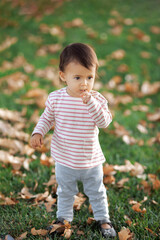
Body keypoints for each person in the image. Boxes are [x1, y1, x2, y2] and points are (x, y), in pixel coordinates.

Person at [30, 43, 116, 239]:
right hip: (65, 158)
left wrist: (91, 103)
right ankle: (64, 218)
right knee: (66, 191)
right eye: (77, 78)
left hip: (90, 160)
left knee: (96, 191)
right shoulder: (56, 99)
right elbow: (46, 118)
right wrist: (38, 132)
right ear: (63, 76)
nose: (84, 83)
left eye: (89, 77)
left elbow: (104, 122)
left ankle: (103, 219)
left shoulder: (98, 100)